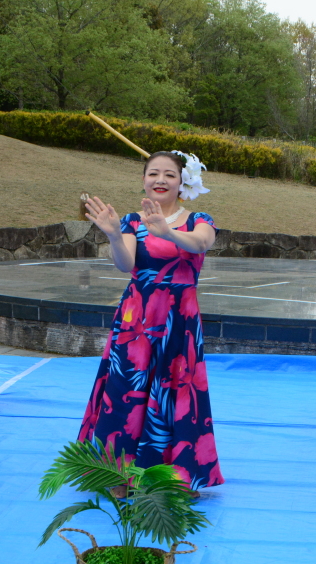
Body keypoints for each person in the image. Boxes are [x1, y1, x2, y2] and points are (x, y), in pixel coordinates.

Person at [78, 150, 223, 493]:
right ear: (143, 180)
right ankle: (118, 474)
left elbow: (202, 243)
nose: (160, 180)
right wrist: (114, 235)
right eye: (153, 173)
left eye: (169, 174)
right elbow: (125, 264)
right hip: (137, 319)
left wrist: (168, 232)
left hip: (179, 320)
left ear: (182, 182)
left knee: (178, 392)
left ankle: (178, 474)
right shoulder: (132, 221)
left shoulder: (198, 219)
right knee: (125, 389)